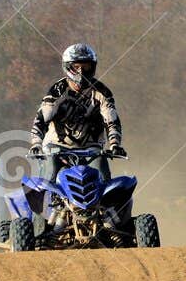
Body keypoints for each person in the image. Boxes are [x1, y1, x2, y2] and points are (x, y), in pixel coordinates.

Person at [28, 43, 124, 185]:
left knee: (104, 179)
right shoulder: (57, 91)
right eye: (76, 67)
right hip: (57, 146)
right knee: (50, 175)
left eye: (86, 67)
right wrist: (36, 144)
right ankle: (47, 206)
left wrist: (115, 144)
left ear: (93, 67)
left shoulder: (102, 92)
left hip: (91, 148)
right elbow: (41, 120)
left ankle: (105, 207)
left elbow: (112, 121)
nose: (81, 72)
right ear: (67, 67)